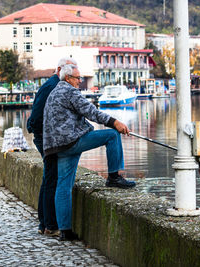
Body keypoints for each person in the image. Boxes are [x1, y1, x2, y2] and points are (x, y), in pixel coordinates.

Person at [43, 65, 136, 241]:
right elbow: (91, 112)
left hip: (56, 147)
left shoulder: (54, 92)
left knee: (63, 186)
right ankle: (114, 177)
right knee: (112, 135)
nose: (80, 81)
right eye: (78, 78)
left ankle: (65, 231)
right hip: (70, 142)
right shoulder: (69, 92)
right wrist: (115, 122)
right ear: (68, 78)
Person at [27, 57, 77, 237]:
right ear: (60, 70)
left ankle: (44, 222)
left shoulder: (54, 84)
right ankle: (49, 224)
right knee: (52, 179)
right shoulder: (53, 86)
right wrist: (45, 135)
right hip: (45, 138)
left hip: (44, 137)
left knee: (49, 178)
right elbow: (37, 116)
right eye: (71, 72)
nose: (73, 76)